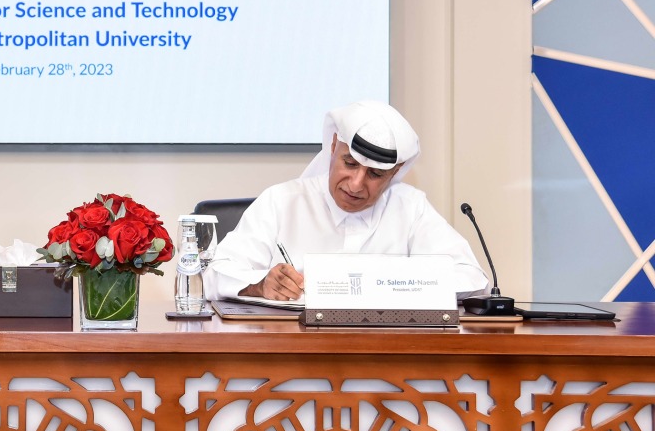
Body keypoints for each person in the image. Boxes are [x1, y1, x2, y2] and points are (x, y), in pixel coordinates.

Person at [205, 100, 488, 301]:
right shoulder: (281, 201)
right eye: (350, 164)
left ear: (396, 172)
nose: (356, 184)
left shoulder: (410, 207)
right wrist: (260, 285)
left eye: (375, 174)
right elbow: (215, 275)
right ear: (333, 146)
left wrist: (392, 281)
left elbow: (473, 280)